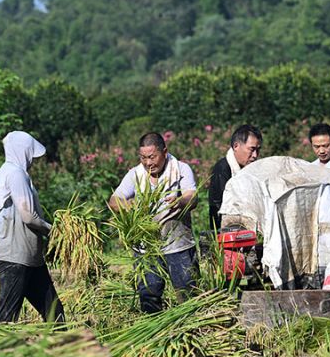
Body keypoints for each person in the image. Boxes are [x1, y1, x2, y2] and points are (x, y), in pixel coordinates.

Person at [109, 132, 198, 313]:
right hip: (146, 247)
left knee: (188, 292)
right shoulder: (135, 174)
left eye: (152, 157)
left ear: (164, 152)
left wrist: (180, 202)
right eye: (143, 158)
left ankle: (192, 329)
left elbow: (192, 196)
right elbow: (113, 201)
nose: (148, 163)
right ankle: (154, 331)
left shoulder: (180, 169)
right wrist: (130, 205)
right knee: (149, 293)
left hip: (177, 243)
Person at [0, 131, 65, 323]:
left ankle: (61, 351)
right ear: (23, 151)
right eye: (31, 153)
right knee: (5, 320)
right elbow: (29, 216)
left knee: (55, 312)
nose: (33, 160)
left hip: (31, 259)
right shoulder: (15, 174)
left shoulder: (12, 172)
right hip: (15, 259)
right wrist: (53, 231)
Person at [209, 124, 262, 230]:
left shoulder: (252, 169)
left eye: (258, 150)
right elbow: (219, 207)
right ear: (236, 146)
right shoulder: (222, 169)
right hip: (228, 234)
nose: (255, 155)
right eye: (251, 149)